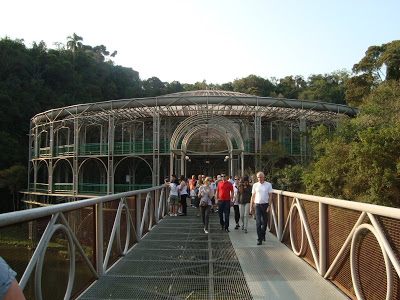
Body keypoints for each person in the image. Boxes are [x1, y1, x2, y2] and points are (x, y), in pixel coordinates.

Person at [250, 172, 273, 245]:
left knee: (265, 221)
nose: (259, 178)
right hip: (257, 205)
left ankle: (263, 233)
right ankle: (259, 239)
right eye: (258, 177)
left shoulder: (268, 185)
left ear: (263, 177)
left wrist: (269, 206)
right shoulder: (255, 185)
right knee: (258, 222)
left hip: (265, 205)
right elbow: (252, 196)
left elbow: (270, 196)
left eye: (260, 177)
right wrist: (251, 207)